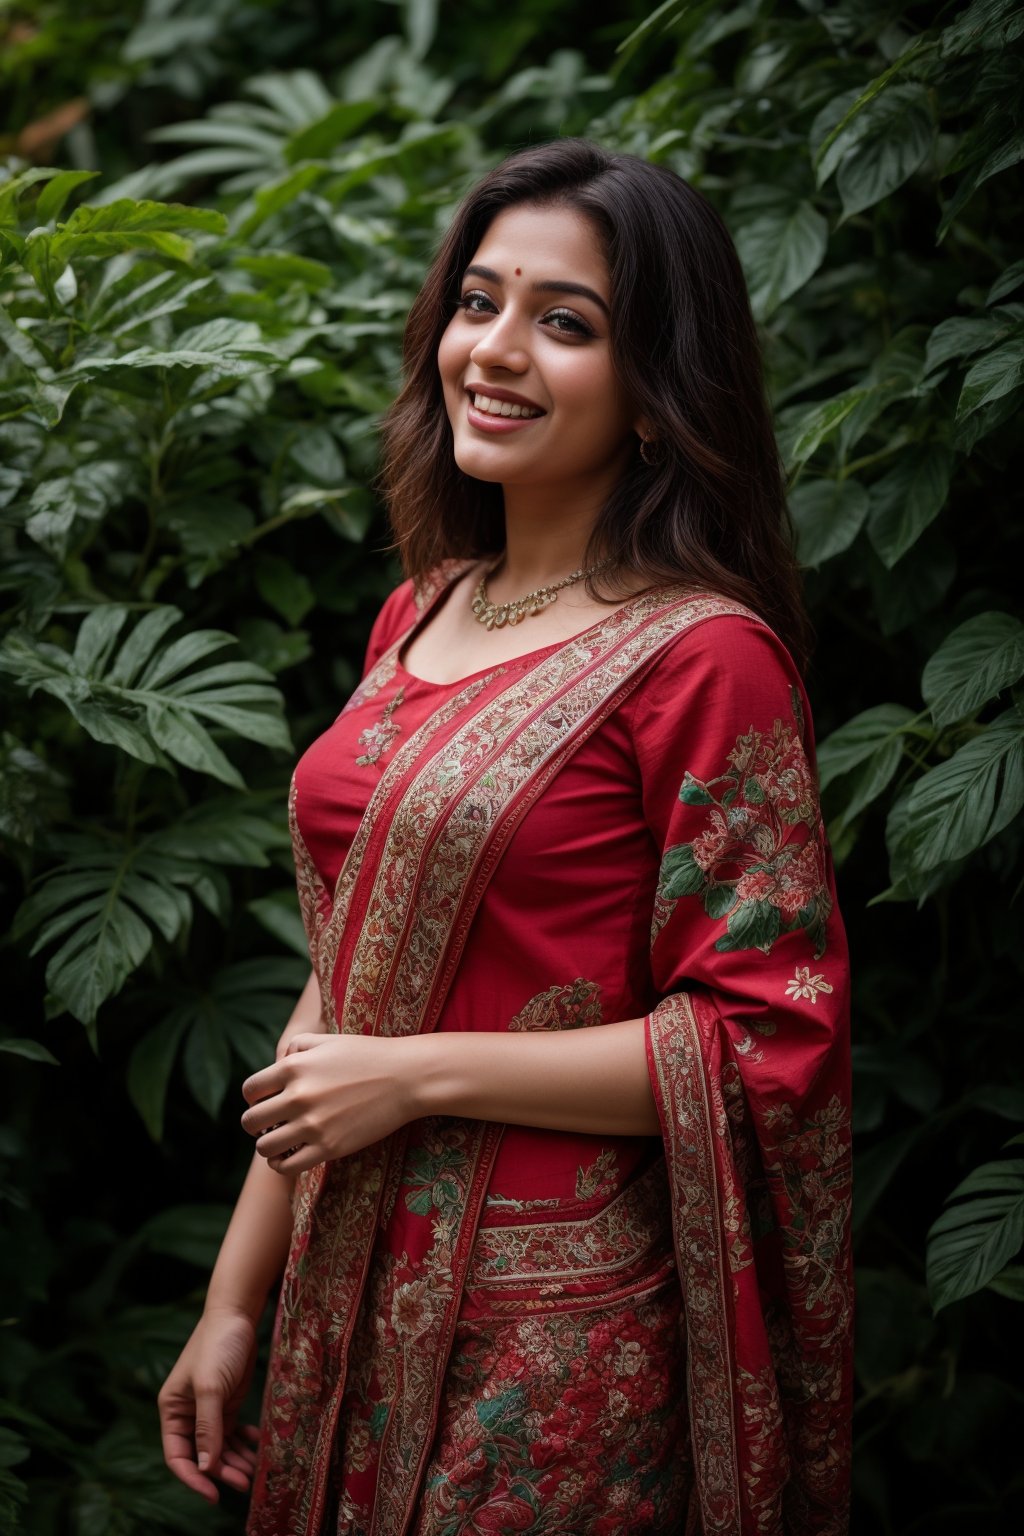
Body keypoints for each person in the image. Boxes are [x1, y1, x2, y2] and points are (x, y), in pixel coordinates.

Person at [159, 138, 852, 1536]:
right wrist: (236, 1300)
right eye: (479, 304)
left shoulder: (706, 661)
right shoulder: (419, 610)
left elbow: (765, 1033)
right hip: (343, 1299)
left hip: (555, 1349)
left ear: (659, 393)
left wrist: (416, 1080)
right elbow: (344, 985)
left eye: (567, 322)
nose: (497, 350)